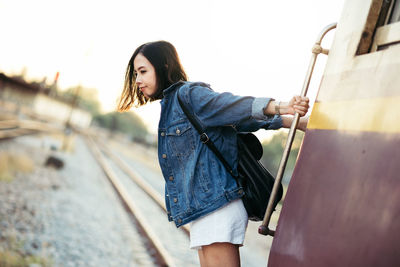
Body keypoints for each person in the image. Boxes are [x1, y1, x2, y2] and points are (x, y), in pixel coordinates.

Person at [118, 40, 309, 267]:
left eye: (143, 71)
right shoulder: (171, 107)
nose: (137, 80)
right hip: (204, 209)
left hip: (218, 208)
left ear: (164, 66)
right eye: (135, 74)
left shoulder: (188, 95)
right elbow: (238, 122)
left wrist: (282, 107)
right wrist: (290, 122)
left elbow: (231, 107)